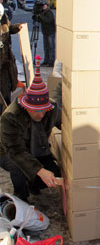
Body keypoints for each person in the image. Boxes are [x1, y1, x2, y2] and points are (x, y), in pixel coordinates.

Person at [0, 57, 62, 203]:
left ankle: (34, 182)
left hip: (36, 148)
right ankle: (21, 197)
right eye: (35, 110)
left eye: (43, 110)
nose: (40, 114)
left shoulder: (51, 109)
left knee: (54, 174)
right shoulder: (10, 117)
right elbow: (16, 151)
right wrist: (40, 171)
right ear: (26, 106)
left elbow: (62, 124)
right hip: (7, 151)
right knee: (18, 167)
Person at [0, 4, 22, 109]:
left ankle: (5, 110)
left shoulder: (4, 19)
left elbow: (9, 29)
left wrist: (16, 28)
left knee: (6, 87)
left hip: (6, 59)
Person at [36, 2, 56, 67]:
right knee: (46, 47)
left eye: (44, 5)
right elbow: (40, 20)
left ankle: (51, 62)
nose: (43, 6)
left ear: (47, 6)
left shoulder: (49, 12)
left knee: (51, 47)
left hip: (50, 32)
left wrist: (41, 15)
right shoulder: (43, 12)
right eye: (43, 5)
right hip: (45, 32)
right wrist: (36, 16)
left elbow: (48, 20)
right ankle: (46, 61)